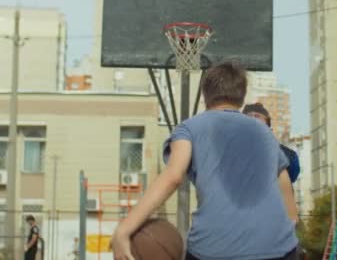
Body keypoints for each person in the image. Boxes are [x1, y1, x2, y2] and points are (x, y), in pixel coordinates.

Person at [111, 61, 298, 260]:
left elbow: (173, 177)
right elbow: (285, 186)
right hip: (279, 248)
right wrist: (284, 226)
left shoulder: (190, 128)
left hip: (215, 249)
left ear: (204, 95)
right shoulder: (263, 132)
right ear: (241, 97)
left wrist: (124, 230)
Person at [243, 103, 300, 183]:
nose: (252, 119)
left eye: (256, 116)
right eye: (248, 116)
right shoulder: (232, 152)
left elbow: (290, 178)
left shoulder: (289, 156)